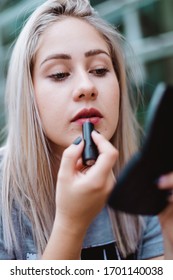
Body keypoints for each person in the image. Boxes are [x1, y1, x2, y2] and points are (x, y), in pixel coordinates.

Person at [0, 0, 172, 260]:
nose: (86, 86)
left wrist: (169, 229)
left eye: (100, 69)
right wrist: (71, 225)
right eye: (59, 74)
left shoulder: (140, 186)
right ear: (28, 94)